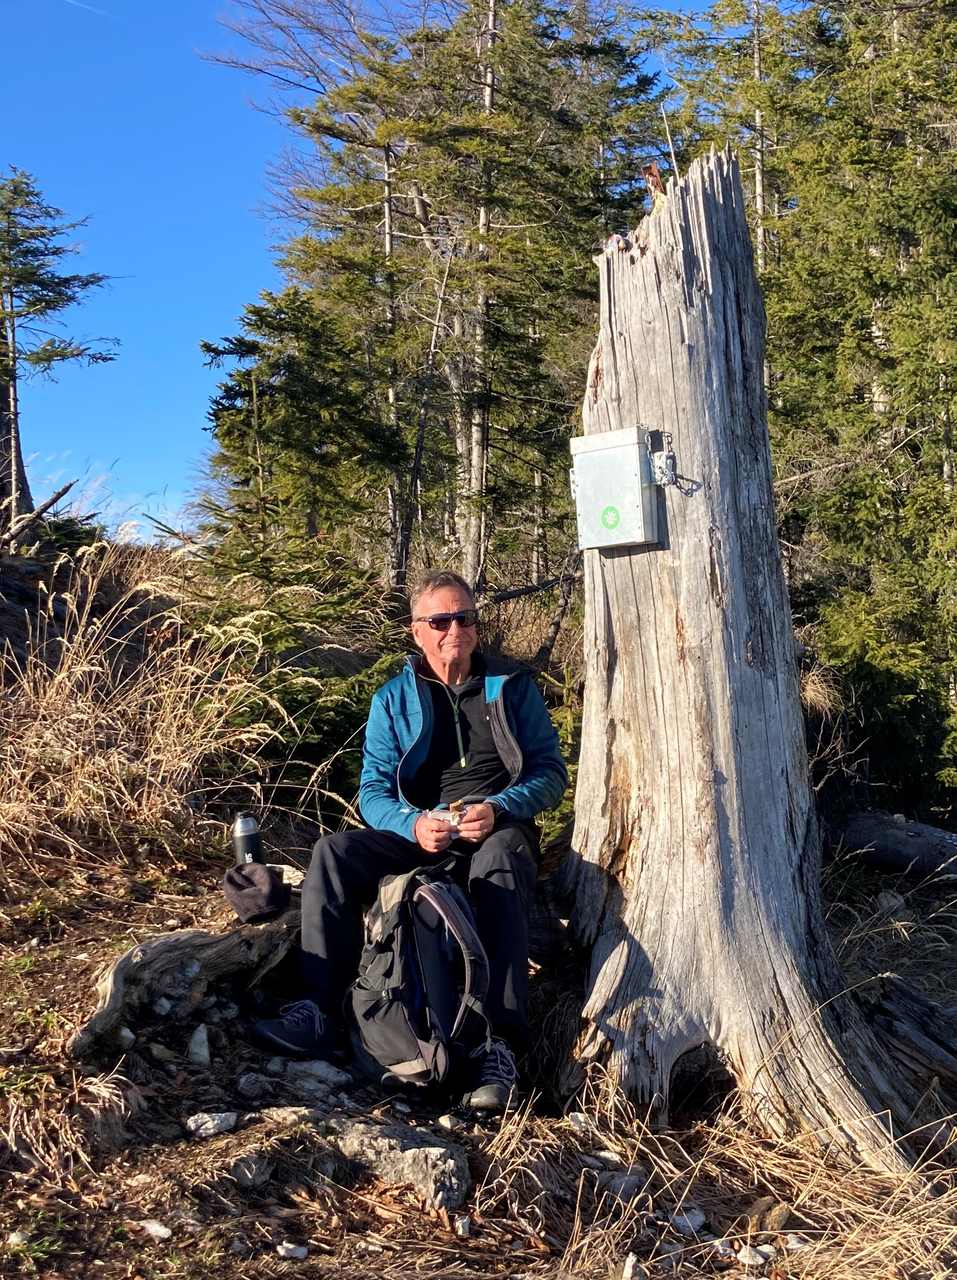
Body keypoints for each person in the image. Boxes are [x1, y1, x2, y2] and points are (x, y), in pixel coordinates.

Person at [255, 569, 568, 1111]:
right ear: (416, 631)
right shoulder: (393, 698)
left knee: (502, 860)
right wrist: (414, 825)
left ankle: (497, 1046)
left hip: (495, 829)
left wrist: (499, 807)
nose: (455, 630)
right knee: (333, 854)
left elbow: (549, 773)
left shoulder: (512, 688)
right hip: (422, 832)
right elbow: (373, 791)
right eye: (440, 621)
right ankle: (321, 1010)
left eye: (465, 618)